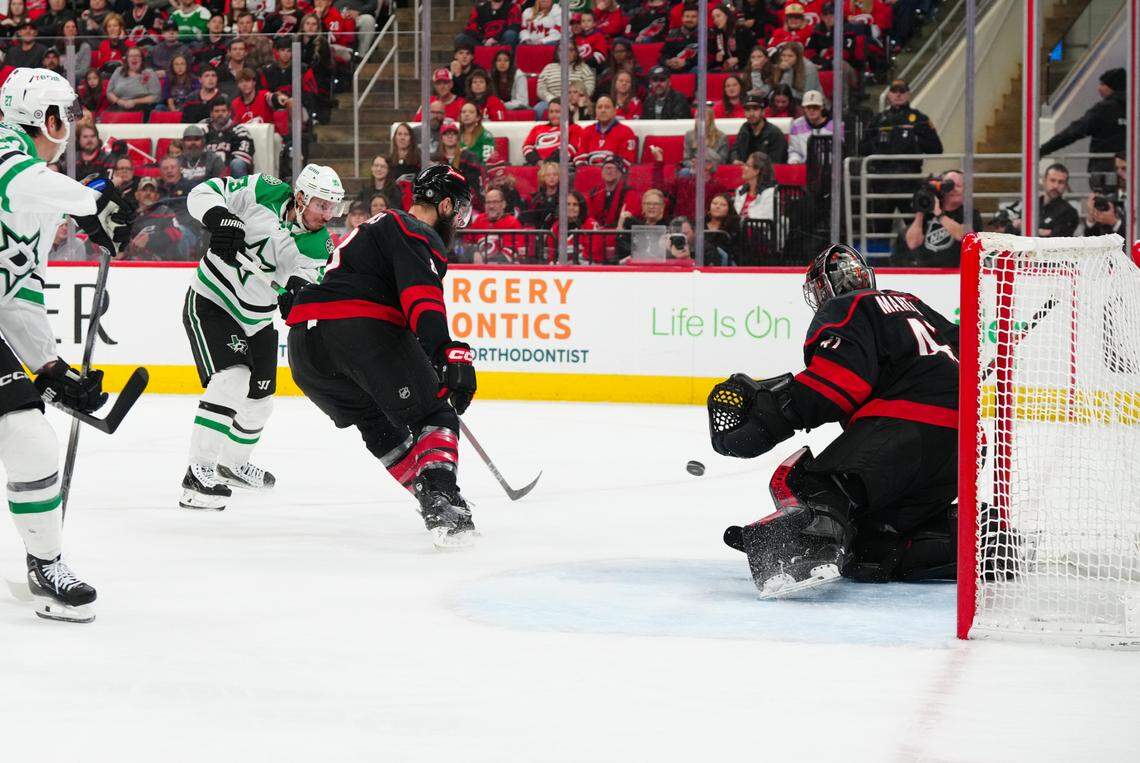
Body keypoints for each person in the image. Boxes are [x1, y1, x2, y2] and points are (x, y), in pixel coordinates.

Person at [713, 244, 960, 597]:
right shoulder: (913, 304)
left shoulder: (847, 308)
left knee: (816, 486)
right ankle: (971, 540)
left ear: (824, 289)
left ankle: (799, 552)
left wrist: (773, 414)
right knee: (873, 540)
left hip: (905, 426)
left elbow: (838, 384)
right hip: (962, 446)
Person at [0, 67, 137, 622]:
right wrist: (91, 201)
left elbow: (20, 283)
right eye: (68, 113)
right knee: (26, 432)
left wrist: (49, 366)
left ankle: (45, 563)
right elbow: (13, 180)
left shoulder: (46, 182)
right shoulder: (9, 148)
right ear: (46, 118)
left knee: (29, 434)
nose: (73, 123)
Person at [285, 165, 479, 548]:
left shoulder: (372, 229)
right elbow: (420, 297)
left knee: (379, 425)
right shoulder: (414, 230)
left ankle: (431, 495)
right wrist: (446, 353)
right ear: (443, 205)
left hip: (306, 352)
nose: (458, 221)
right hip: (358, 331)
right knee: (436, 412)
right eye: (458, 211)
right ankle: (441, 497)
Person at [180, 164, 344, 511]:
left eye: (332, 206)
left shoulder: (319, 243)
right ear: (300, 198)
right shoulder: (265, 190)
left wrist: (297, 295)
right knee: (233, 379)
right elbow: (200, 194)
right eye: (321, 204)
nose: (327, 214)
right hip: (212, 300)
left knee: (260, 400)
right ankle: (197, 475)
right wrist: (220, 217)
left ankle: (231, 464)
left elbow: (304, 281)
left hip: (257, 318)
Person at [859, 78, 943, 234]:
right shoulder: (878, 120)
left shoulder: (919, 119)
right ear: (889, 94)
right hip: (882, 184)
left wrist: (915, 136)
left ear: (908, 94)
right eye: (894, 91)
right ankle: (880, 259)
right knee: (880, 230)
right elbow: (862, 148)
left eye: (902, 91)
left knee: (916, 228)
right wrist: (878, 140)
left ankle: (915, 258)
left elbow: (936, 148)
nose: (898, 95)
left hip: (909, 182)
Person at [1040, 68, 1126, 174]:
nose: (1099, 88)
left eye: (1102, 84)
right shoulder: (1133, 107)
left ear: (1112, 86)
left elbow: (1073, 132)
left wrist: (1043, 150)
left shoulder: (1104, 109)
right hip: (1130, 169)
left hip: (1104, 170)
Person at [902, 170, 983, 267]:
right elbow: (912, 243)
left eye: (958, 186)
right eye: (949, 186)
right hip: (926, 274)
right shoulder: (928, 213)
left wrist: (939, 214)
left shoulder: (970, 214)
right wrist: (921, 210)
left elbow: (963, 235)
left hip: (955, 275)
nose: (954, 189)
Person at [994, 163, 1079, 238]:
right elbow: (1009, 231)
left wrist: (1024, 227)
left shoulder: (1069, 212)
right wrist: (1043, 231)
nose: (1056, 185)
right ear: (1044, 181)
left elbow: (1057, 238)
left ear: (1066, 186)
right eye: (1052, 180)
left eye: (1061, 182)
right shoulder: (1030, 204)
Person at [125, 177, 189, 260]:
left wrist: (149, 240)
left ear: (157, 196)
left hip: (162, 262)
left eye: (152, 190)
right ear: (137, 195)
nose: (148, 193)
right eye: (144, 190)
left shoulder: (165, 212)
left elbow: (176, 233)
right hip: (133, 262)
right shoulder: (129, 216)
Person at [535, 42, 595, 120]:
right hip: (551, 101)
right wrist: (553, 100)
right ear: (557, 53)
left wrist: (574, 99)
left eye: (570, 50)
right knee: (539, 109)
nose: (566, 53)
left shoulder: (583, 68)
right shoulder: (548, 68)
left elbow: (589, 88)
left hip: (576, 101)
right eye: (562, 50)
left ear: (576, 53)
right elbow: (541, 89)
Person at [467, 186, 527, 263]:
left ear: (504, 204)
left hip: (503, 268)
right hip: (479, 268)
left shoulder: (512, 222)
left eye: (495, 202)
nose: (491, 206)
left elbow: (513, 250)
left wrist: (490, 262)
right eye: (488, 202)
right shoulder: (479, 220)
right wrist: (474, 252)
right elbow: (467, 243)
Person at [575, 95, 638, 168]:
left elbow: (626, 162)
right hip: (588, 174)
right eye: (599, 107)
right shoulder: (587, 131)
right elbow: (580, 157)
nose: (603, 110)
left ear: (615, 111)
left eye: (607, 107)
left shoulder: (626, 132)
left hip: (613, 176)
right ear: (595, 111)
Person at [203, 97, 256, 177]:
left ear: (229, 113)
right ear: (211, 114)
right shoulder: (205, 132)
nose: (220, 114)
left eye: (223, 111)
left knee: (237, 164)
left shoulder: (240, 131)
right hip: (209, 173)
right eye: (216, 111)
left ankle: (241, 189)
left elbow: (243, 158)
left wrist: (223, 171)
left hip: (231, 175)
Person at [732, 93, 788, 164]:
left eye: (755, 109)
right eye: (748, 110)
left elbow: (776, 162)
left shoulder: (775, 133)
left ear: (763, 112)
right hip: (746, 171)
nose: (751, 114)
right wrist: (735, 160)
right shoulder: (744, 129)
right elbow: (735, 150)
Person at [522, 99, 581, 165]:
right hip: (537, 165)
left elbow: (572, 148)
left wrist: (548, 163)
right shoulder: (537, 128)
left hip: (561, 166)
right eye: (551, 111)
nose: (554, 115)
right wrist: (537, 161)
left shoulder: (574, 128)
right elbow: (527, 147)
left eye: (557, 111)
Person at [616, 188, 668, 261]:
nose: (651, 207)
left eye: (655, 204)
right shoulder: (634, 226)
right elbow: (622, 252)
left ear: (662, 207)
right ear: (643, 206)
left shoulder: (667, 228)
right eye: (648, 203)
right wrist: (620, 225)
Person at [553, 190, 604, 263]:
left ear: (581, 207)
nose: (571, 208)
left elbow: (593, 253)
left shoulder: (590, 224)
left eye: (575, 204)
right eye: (568, 204)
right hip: (562, 269)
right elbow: (551, 254)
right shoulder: (556, 227)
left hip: (587, 269)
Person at [587, 155, 637, 229]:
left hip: (618, 233)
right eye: (606, 168)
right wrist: (593, 224)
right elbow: (588, 215)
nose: (608, 170)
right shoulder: (594, 192)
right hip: (596, 233)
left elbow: (628, 219)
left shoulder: (629, 192)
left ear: (620, 172)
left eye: (612, 168)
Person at [787, 89, 833, 165]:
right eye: (808, 107)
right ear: (804, 108)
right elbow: (794, 151)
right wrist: (794, 160)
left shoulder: (835, 125)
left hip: (829, 167)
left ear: (822, 107)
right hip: (804, 167)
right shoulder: (796, 125)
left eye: (815, 107)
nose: (811, 110)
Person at [457, 0, 522, 49]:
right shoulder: (479, 8)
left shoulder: (512, 7)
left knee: (511, 34)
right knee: (461, 38)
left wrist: (495, 39)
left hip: (502, 42)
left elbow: (514, 26)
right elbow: (470, 29)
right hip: (483, 43)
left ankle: (506, 62)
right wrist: (484, 41)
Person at [682, 110, 730, 176]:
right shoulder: (689, 135)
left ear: (710, 120)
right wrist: (693, 164)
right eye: (697, 117)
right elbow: (686, 160)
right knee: (684, 172)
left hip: (712, 169)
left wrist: (707, 166)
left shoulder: (721, 137)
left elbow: (722, 162)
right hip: (694, 169)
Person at [708, 4, 753, 72]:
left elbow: (754, 51)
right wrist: (718, 59)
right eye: (714, 18)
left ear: (727, 16)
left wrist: (738, 59)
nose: (716, 20)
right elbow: (720, 61)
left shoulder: (741, 30)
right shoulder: (717, 35)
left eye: (718, 16)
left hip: (746, 67)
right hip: (729, 70)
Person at [734, 151, 777, 222]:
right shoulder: (741, 189)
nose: (743, 168)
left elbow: (764, 221)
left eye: (747, 165)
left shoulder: (771, 193)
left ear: (757, 171)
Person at [661, 2, 701, 73]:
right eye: (687, 16)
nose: (689, 19)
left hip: (692, 67)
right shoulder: (672, 34)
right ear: (682, 18)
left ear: (699, 19)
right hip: (673, 67)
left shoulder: (705, 34)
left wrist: (686, 62)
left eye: (693, 17)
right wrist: (667, 62)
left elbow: (708, 57)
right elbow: (664, 54)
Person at [704, 192, 740, 265]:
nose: (717, 206)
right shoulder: (700, 225)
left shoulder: (734, 228)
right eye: (714, 203)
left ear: (729, 209)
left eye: (723, 205)